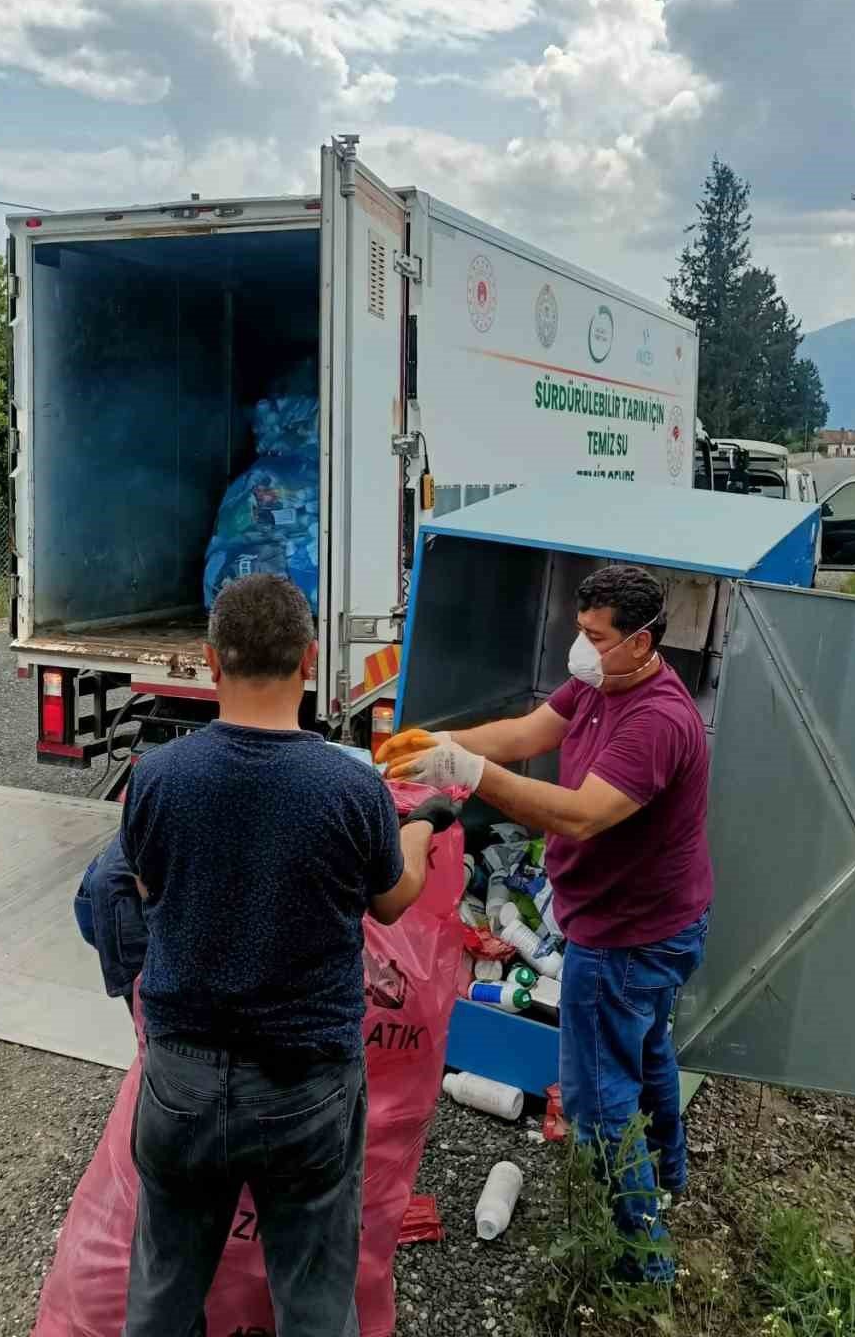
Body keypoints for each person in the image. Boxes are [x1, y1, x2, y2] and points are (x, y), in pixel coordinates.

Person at [119, 573, 458, 1337]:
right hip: (306, 1085)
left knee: (163, 1293)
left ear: (211, 661)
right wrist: (427, 823)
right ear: (311, 660)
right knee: (312, 1299)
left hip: (182, 1081)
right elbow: (393, 897)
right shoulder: (348, 789)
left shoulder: (157, 779)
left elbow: (147, 886)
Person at [379, 563, 711, 1280]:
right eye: (578, 630)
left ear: (642, 641)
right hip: (654, 921)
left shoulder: (656, 720)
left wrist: (464, 774)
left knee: (596, 1102)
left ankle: (643, 1260)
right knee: (647, 1046)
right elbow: (526, 732)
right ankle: (672, 1174)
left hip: (629, 937)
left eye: (595, 636)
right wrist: (436, 741)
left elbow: (580, 814)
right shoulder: (601, 681)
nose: (580, 647)